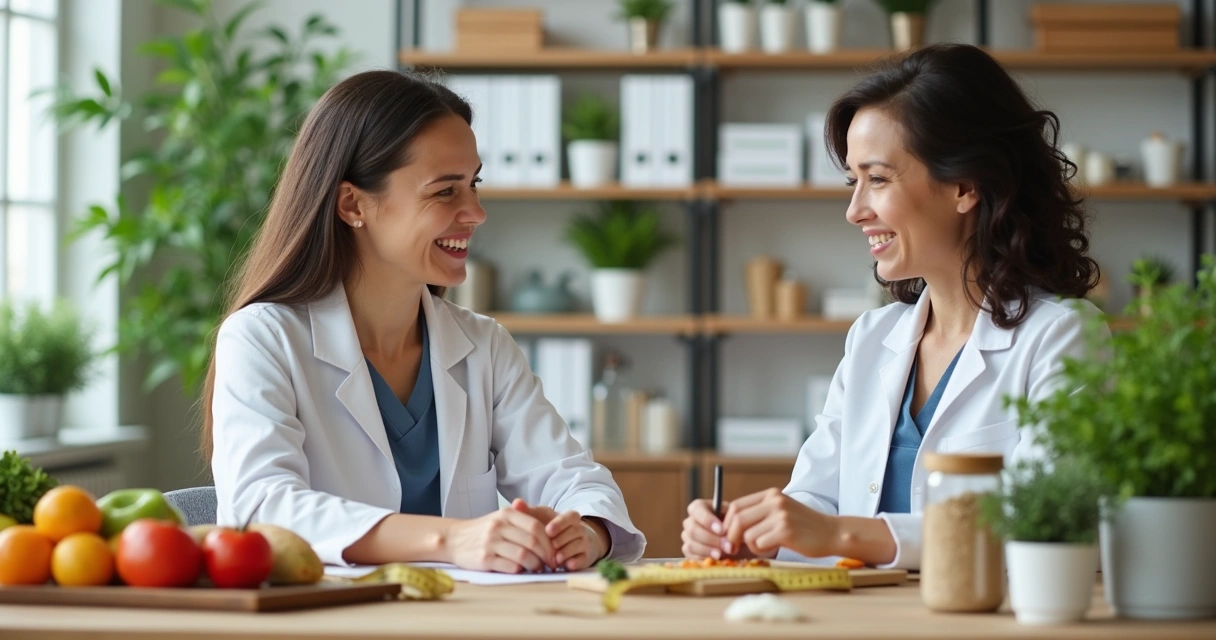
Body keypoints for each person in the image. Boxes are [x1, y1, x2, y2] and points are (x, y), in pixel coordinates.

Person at [681, 43, 1102, 570]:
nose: (855, 210)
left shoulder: (1062, 336)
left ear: (965, 186)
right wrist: (755, 533)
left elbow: (1044, 521)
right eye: (853, 181)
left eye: (877, 179)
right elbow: (818, 499)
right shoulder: (872, 337)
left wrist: (840, 534)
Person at [203, 70, 644, 572]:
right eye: (445, 191)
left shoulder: (484, 346)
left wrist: (585, 532)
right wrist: (451, 540)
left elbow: (574, 480)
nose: (476, 212)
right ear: (353, 204)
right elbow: (261, 508)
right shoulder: (263, 339)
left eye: (474, 184)